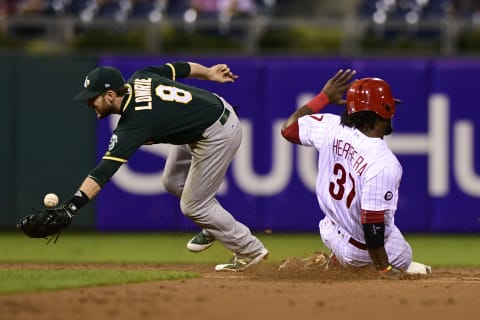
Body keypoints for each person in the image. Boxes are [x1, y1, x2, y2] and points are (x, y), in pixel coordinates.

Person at [65, 61, 268, 271]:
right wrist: (208, 73)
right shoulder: (141, 76)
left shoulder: (133, 123)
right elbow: (182, 67)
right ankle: (213, 226)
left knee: (194, 206)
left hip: (217, 134)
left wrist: (71, 207)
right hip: (208, 117)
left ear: (109, 95)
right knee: (172, 181)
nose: (89, 103)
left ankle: (249, 250)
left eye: (92, 98)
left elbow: (103, 172)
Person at [280, 69, 431, 277]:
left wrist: (323, 98)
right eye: (391, 107)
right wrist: (384, 270)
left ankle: (334, 260)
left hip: (329, 228)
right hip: (360, 248)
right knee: (404, 256)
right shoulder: (384, 162)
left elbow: (288, 129)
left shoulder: (330, 126)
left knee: (390, 243)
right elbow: (372, 225)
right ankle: (345, 263)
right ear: (384, 111)